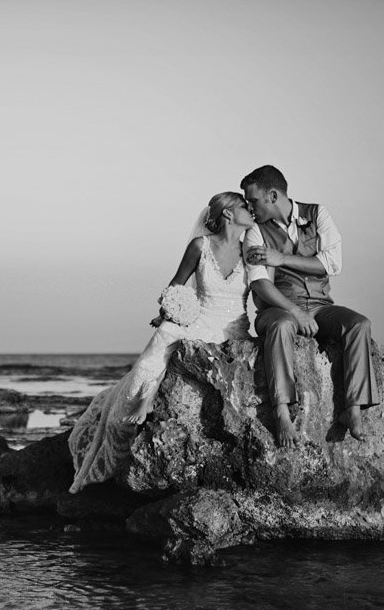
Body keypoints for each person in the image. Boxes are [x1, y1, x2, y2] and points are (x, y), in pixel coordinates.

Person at [68, 192, 254, 493]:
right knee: (158, 348)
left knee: (175, 343)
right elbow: (177, 283)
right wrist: (169, 311)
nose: (251, 210)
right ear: (229, 214)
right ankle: (146, 395)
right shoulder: (200, 246)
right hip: (201, 318)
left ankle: (152, 394)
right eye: (244, 206)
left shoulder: (252, 250)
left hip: (234, 329)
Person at [240, 164, 377, 447]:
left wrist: (281, 259)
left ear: (273, 196)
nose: (249, 207)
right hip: (277, 308)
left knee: (359, 324)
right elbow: (259, 283)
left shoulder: (318, 214)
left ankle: (352, 409)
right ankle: (282, 412)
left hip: (321, 305)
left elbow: (332, 263)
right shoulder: (254, 232)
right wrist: (295, 311)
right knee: (281, 325)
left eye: (253, 200)